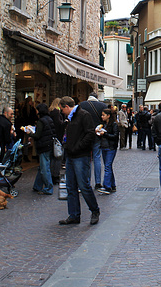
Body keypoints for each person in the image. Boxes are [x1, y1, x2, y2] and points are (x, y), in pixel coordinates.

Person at [58, 96, 100, 226]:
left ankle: (94, 210)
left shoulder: (83, 115)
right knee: (71, 186)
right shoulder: (70, 118)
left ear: (66, 107)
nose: (61, 112)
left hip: (80, 155)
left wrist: (78, 147)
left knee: (83, 185)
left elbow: (90, 134)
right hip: (71, 155)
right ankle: (74, 215)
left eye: (62, 109)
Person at [78, 92, 108, 190]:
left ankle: (86, 181)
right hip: (97, 135)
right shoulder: (103, 106)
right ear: (97, 97)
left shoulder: (82, 105)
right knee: (97, 158)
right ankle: (98, 182)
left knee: (87, 158)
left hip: (85, 135)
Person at [31, 103, 57, 195]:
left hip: (43, 146)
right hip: (49, 145)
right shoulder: (49, 119)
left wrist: (29, 133)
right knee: (42, 167)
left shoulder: (41, 121)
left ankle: (48, 188)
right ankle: (37, 185)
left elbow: (37, 135)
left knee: (44, 168)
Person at [96, 108, 118, 194]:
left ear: (108, 116)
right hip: (104, 147)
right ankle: (112, 185)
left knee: (107, 166)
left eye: (103, 115)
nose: (102, 117)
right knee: (108, 166)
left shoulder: (114, 124)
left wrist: (104, 134)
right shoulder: (103, 125)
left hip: (110, 148)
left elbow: (115, 136)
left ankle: (107, 186)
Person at [49, 98, 65, 184]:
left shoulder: (50, 112)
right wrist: (65, 123)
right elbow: (59, 125)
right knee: (58, 156)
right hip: (57, 137)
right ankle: (55, 175)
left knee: (53, 157)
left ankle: (52, 175)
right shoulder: (56, 113)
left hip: (52, 137)